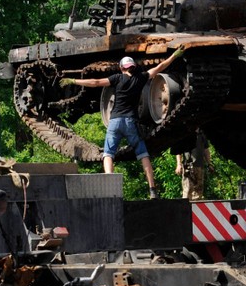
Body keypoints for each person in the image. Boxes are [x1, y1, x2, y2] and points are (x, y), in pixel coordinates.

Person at [60, 47, 185, 199]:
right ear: (133, 67)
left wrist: (73, 80)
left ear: (121, 68)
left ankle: (110, 189)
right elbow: (160, 67)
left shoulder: (117, 78)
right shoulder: (141, 78)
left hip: (115, 122)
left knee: (108, 154)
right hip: (131, 122)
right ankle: (152, 190)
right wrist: (174, 56)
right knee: (143, 154)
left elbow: (96, 82)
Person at [176, 128, 211, 200]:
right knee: (188, 189)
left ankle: (196, 206)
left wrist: (209, 163)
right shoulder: (185, 133)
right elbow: (178, 151)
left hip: (200, 166)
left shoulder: (202, 134)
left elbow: (206, 150)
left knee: (199, 191)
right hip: (188, 167)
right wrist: (178, 164)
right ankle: (186, 206)